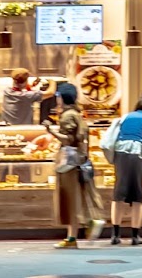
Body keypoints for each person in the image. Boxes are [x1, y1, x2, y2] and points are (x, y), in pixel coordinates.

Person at [107, 94, 142, 246]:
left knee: (119, 193)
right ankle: (135, 236)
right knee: (137, 195)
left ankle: (115, 235)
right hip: (136, 152)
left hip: (120, 152)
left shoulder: (126, 116)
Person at [49, 80, 94, 247]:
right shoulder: (77, 114)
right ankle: (73, 235)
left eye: (58, 96)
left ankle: (73, 236)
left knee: (68, 198)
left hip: (68, 162)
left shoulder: (67, 116)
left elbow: (68, 139)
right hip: (79, 160)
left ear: (62, 97)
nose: (57, 99)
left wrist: (50, 130)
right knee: (74, 198)